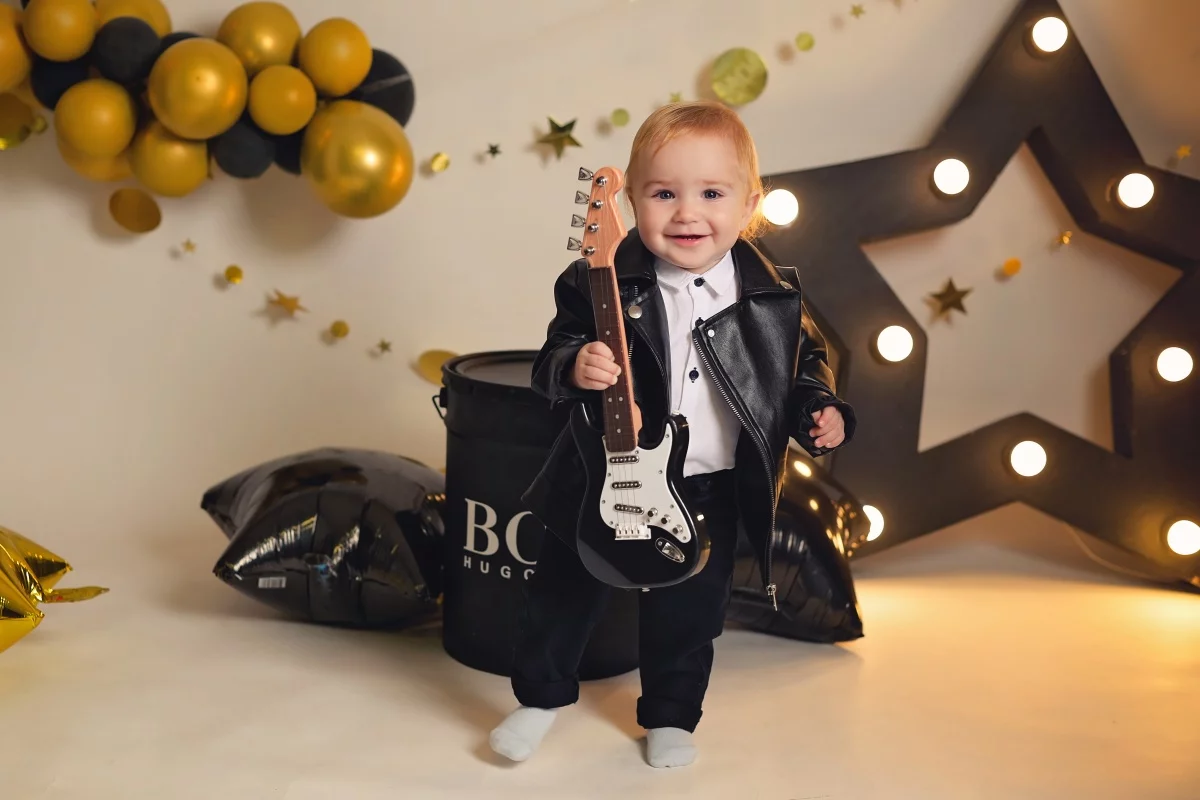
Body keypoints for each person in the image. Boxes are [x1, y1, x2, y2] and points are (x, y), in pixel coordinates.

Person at [489, 100, 856, 769]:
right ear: (630, 202)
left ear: (751, 205)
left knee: (689, 613)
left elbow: (804, 367)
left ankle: (670, 715)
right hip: (600, 476)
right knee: (563, 592)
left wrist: (819, 409)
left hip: (709, 484)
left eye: (712, 194)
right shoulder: (597, 281)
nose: (688, 214)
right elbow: (549, 360)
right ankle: (539, 699)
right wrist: (573, 365)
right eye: (664, 194)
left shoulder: (772, 298)